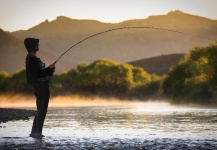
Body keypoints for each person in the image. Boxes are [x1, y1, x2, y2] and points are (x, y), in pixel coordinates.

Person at [24, 38, 55, 138]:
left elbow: (42, 74)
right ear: (31, 46)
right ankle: (37, 133)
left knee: (40, 109)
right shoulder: (32, 60)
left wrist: (51, 70)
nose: (38, 44)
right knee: (42, 109)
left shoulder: (33, 59)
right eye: (36, 43)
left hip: (40, 86)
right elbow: (39, 74)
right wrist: (49, 69)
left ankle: (35, 133)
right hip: (41, 87)